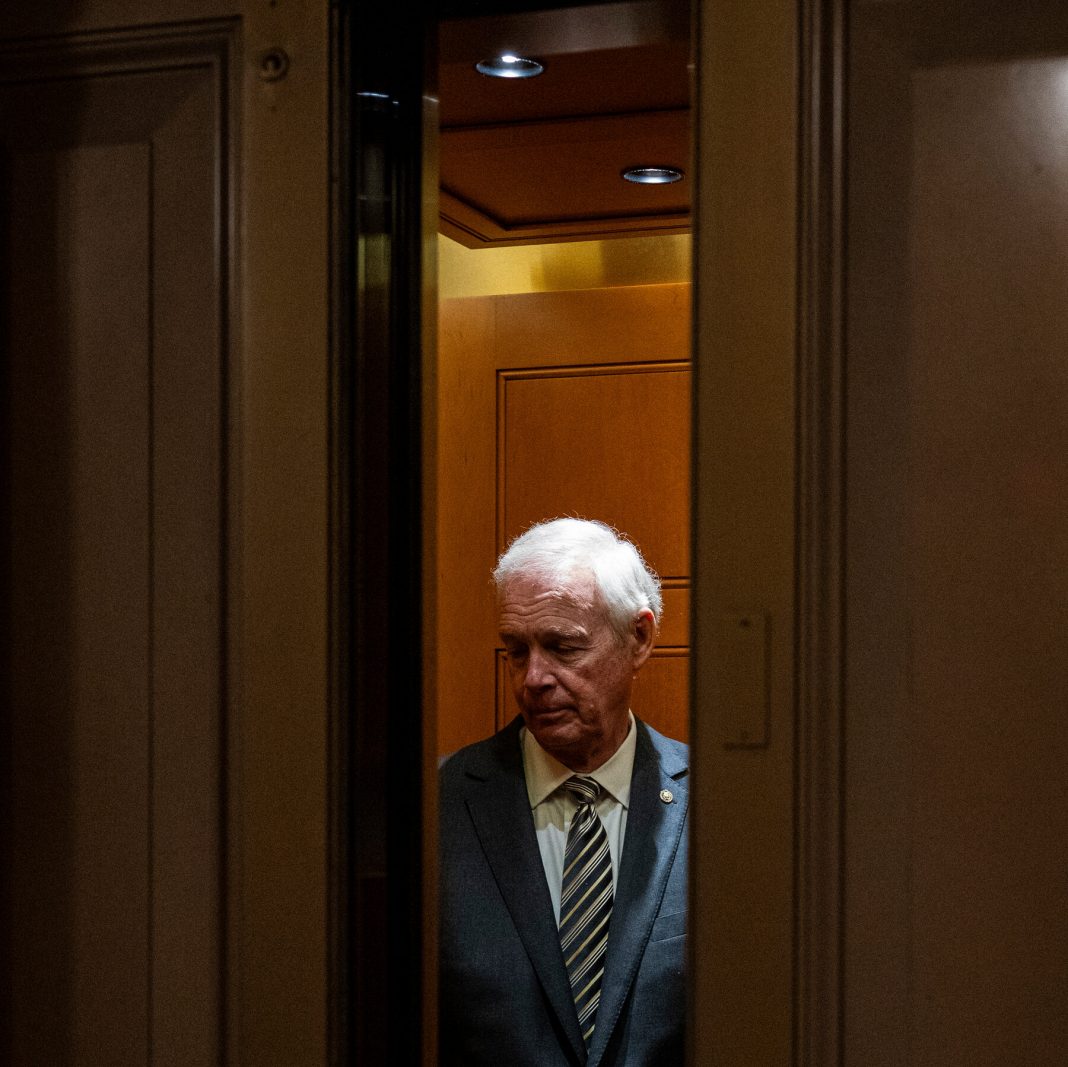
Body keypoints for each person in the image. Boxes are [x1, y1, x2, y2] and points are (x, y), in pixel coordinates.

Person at [439, 517, 688, 1067]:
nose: (533, 678)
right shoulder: (438, 804)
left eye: (563, 647)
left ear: (639, 638)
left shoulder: (716, 807)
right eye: (517, 651)